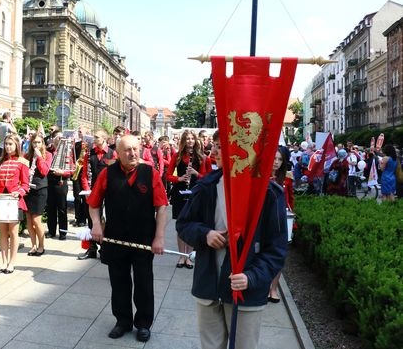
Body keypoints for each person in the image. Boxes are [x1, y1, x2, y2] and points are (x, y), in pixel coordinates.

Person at [176, 130, 288, 349]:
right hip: (208, 286)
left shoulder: (269, 193)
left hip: (246, 292)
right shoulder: (206, 186)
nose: (214, 151)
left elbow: (277, 249)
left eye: (221, 146)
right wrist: (205, 234)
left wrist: (252, 276)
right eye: (215, 145)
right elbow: (184, 224)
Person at [88, 134, 168, 342]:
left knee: (144, 282)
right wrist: (96, 225)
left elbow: (161, 208)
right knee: (119, 282)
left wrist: (159, 238)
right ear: (118, 153)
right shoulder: (107, 174)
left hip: (144, 238)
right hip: (115, 238)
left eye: (135, 149)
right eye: (127, 150)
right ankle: (122, 321)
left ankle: (143, 324)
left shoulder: (150, 173)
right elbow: (94, 204)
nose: (133, 153)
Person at [166, 129, 212, 268]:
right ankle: (181, 256)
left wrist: (196, 173)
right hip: (180, 192)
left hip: (195, 193)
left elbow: (207, 178)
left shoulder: (202, 157)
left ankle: (189, 257)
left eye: (192, 138)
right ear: (183, 141)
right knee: (180, 225)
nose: (190, 141)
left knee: (192, 225)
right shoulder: (177, 156)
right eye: (187, 139)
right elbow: (168, 176)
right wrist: (179, 178)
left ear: (196, 140)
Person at [0, 133, 30, 273]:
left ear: (17, 145)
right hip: (0, 200)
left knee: (13, 232)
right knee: (3, 233)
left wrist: (19, 192)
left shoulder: (22, 162)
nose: (8, 146)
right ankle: (3, 262)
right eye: (6, 144)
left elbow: (26, 185)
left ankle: (12, 262)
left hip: (14, 201)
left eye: (11, 144)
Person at [78, 129, 117, 260]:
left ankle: (106, 249)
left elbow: (117, 173)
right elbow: (84, 173)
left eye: (97, 137)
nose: (94, 139)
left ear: (104, 138)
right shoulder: (90, 154)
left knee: (107, 219)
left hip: (109, 191)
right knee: (91, 220)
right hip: (93, 190)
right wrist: (87, 190)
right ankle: (92, 248)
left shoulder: (113, 154)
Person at [268, 146, 291, 303]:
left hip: (281, 221)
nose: (276, 162)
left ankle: (274, 289)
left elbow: (290, 201)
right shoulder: (261, 176)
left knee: (279, 256)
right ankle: (263, 287)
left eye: (280, 159)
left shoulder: (287, 179)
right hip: (265, 222)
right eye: (274, 158)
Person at [24, 132, 52, 256]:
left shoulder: (48, 155)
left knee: (36, 220)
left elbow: (45, 171)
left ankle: (41, 246)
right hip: (28, 189)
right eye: (34, 142)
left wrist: (40, 157)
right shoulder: (27, 155)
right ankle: (33, 245)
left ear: (43, 143)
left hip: (40, 189)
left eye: (39, 142)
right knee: (29, 220)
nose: (36, 144)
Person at [45, 130, 73, 240]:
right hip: (49, 181)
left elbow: (72, 170)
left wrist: (63, 173)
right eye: (57, 137)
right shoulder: (48, 151)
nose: (59, 139)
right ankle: (51, 231)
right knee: (50, 208)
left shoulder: (67, 152)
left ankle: (63, 232)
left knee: (62, 208)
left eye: (61, 137)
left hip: (61, 182)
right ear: (52, 139)